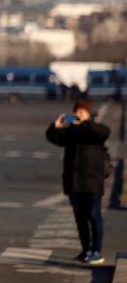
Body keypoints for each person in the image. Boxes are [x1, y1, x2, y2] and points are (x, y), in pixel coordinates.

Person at [46, 99, 112, 265]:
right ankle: (85, 250)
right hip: (74, 183)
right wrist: (56, 126)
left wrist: (85, 123)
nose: (78, 114)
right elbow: (55, 138)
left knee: (93, 214)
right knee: (80, 217)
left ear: (89, 114)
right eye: (77, 111)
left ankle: (96, 250)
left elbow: (105, 132)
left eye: (82, 112)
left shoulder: (94, 130)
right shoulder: (71, 131)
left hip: (92, 181)